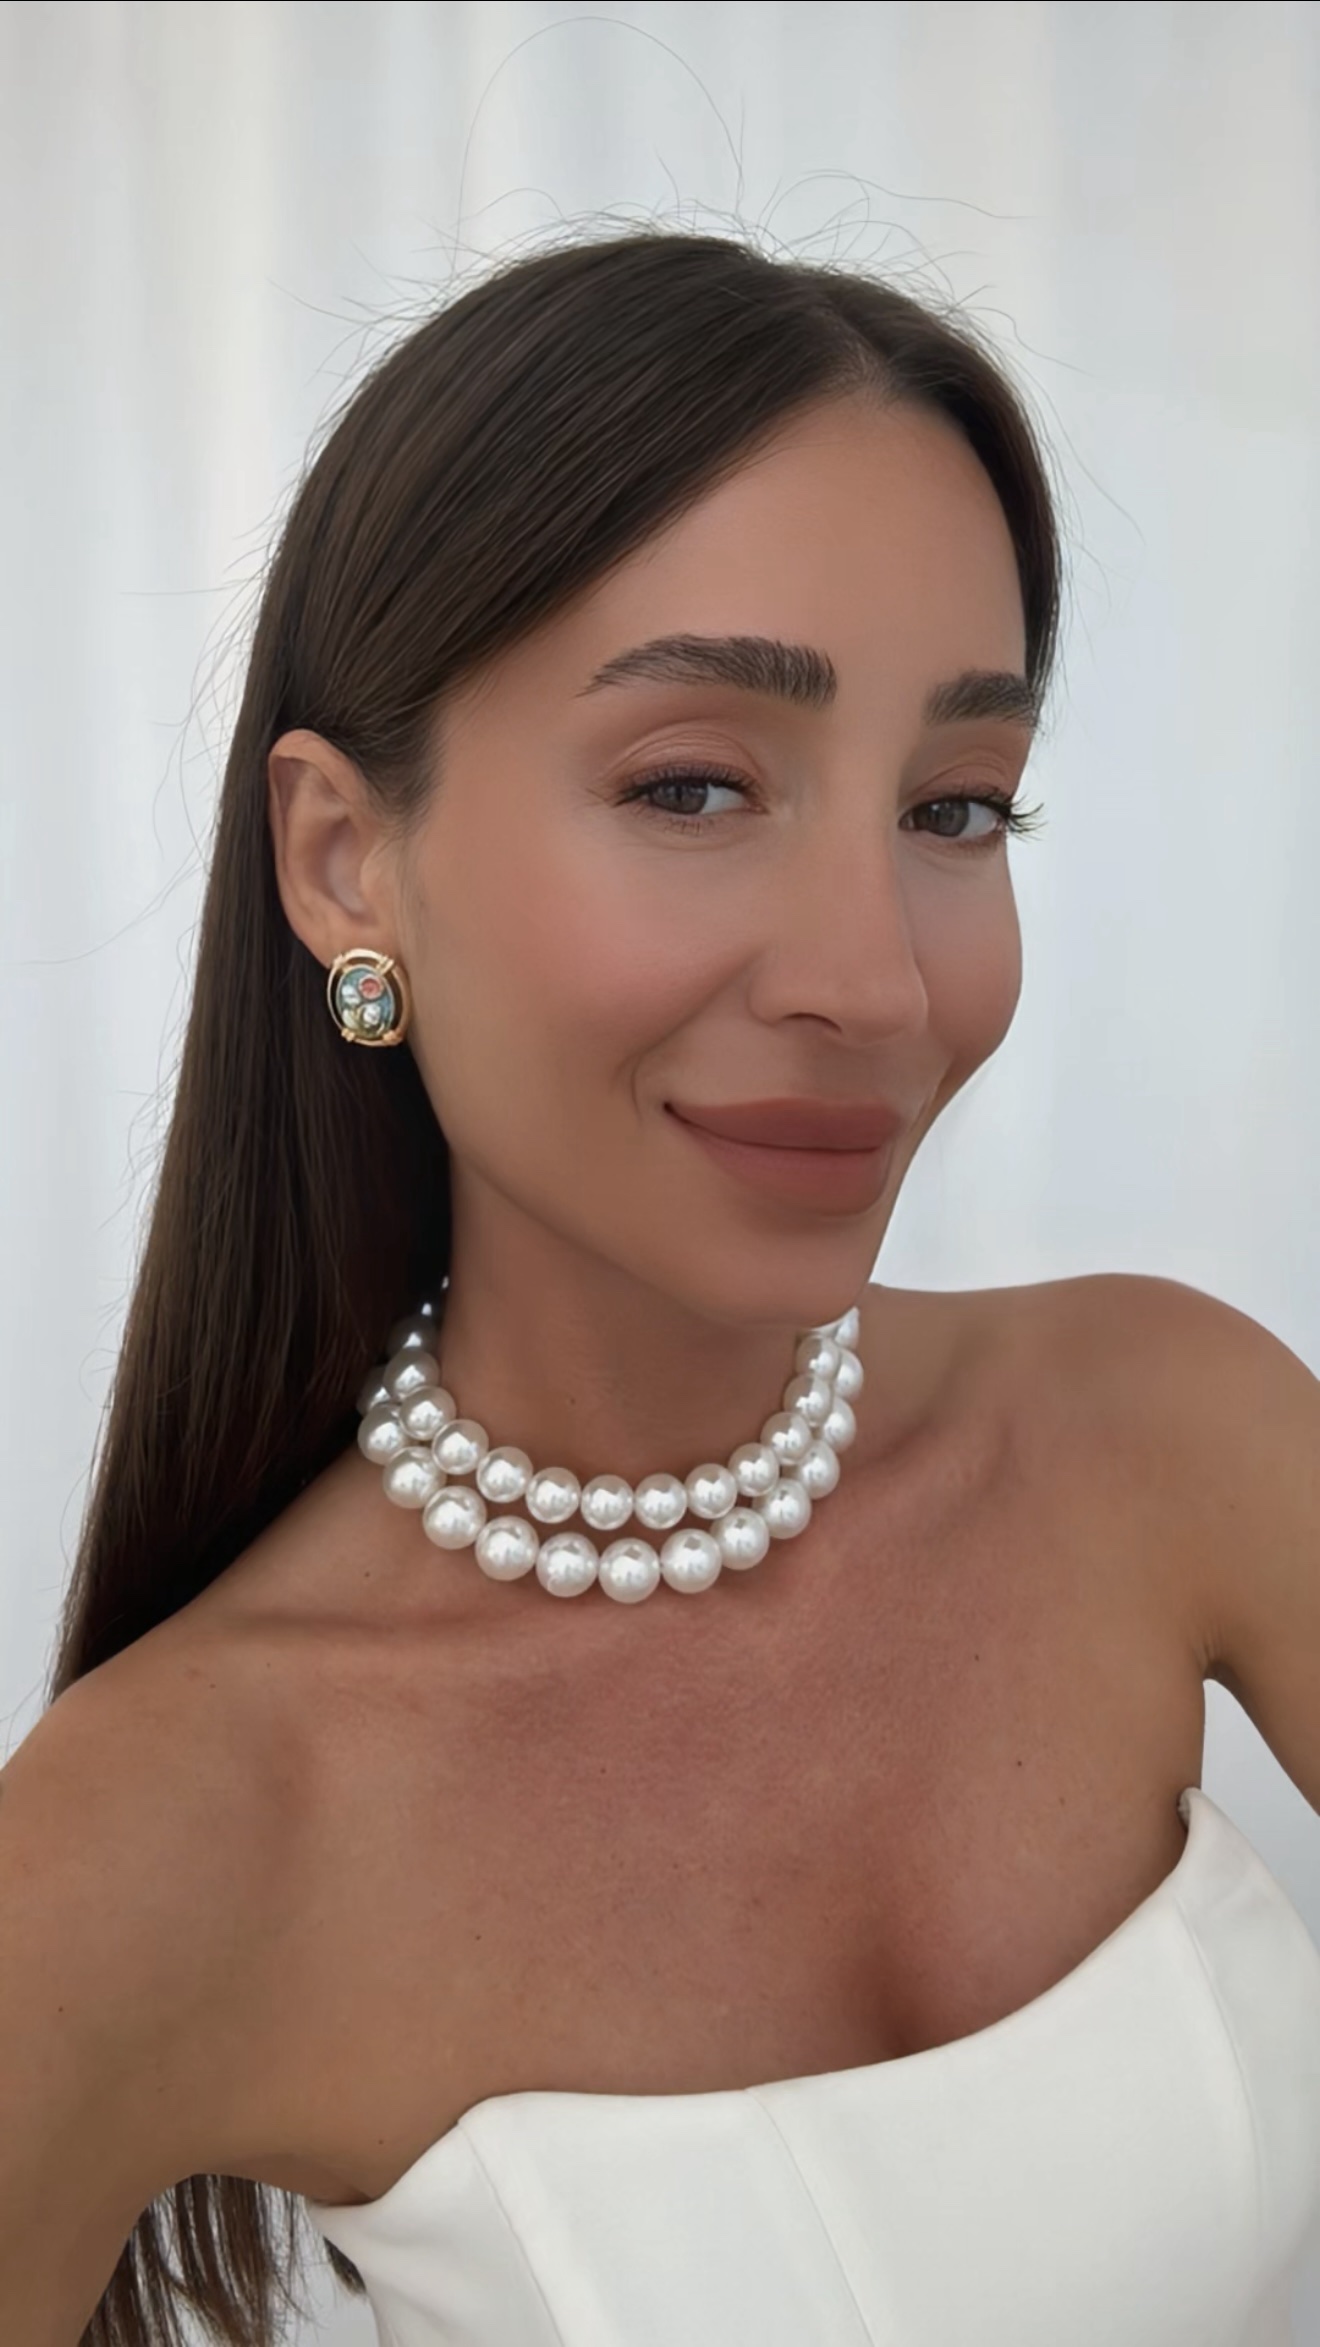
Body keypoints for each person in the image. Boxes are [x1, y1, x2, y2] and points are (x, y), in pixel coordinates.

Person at [4, 227, 1319, 2347]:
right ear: (346, 861)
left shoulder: (1176, 1432)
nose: (877, 982)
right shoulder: (163, 1838)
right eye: (693, 786)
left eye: (956, 808)